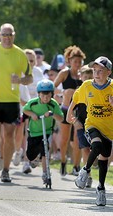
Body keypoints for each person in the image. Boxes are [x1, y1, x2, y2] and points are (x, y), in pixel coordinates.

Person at [0, 23, 32, 182]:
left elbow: (29, 77)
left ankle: (5, 170)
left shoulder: (20, 54)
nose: (7, 38)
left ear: (14, 35)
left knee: (10, 135)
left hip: (12, 100)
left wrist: (20, 80)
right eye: (4, 35)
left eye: (9, 34)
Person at [68, 56, 113, 206]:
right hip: (92, 124)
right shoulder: (87, 86)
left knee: (104, 158)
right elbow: (76, 99)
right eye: (95, 70)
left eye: (101, 71)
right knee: (97, 146)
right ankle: (85, 170)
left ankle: (100, 188)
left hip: (109, 130)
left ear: (109, 73)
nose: (97, 73)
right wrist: (69, 114)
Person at [23, 79, 63, 184]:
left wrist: (52, 114)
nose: (46, 98)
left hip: (46, 132)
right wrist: (32, 114)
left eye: (48, 95)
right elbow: (25, 109)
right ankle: (34, 158)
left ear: (52, 94)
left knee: (45, 151)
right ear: (39, 94)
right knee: (30, 154)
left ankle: (45, 172)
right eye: (43, 95)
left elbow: (61, 118)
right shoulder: (33, 103)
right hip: (33, 132)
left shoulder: (53, 104)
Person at [53, 45, 85, 176]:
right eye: (75, 61)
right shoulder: (64, 73)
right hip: (66, 109)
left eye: (79, 61)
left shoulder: (84, 74)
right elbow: (52, 88)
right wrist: (64, 93)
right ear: (69, 61)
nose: (77, 64)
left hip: (80, 111)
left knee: (78, 140)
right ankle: (63, 162)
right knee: (65, 139)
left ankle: (76, 166)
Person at [66, 65, 93, 188]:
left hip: (96, 124)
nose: (87, 78)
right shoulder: (78, 91)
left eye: (90, 76)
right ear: (80, 77)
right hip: (81, 125)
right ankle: (88, 175)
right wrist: (75, 121)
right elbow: (70, 111)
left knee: (96, 151)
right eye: (85, 76)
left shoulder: (96, 91)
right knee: (85, 149)